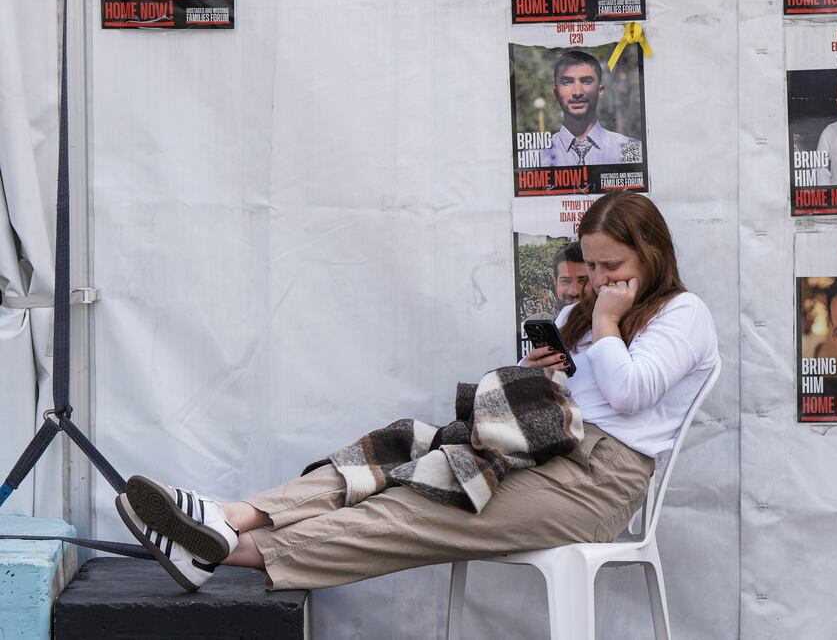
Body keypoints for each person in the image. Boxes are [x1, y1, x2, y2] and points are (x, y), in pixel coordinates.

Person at [114, 192, 718, 593]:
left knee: (420, 505)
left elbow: (633, 393)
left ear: (651, 253)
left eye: (612, 267)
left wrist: (608, 323)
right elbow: (526, 401)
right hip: (530, 450)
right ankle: (226, 518)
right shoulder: (579, 317)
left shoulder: (682, 314)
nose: (599, 283)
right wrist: (537, 369)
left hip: (594, 483)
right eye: (590, 269)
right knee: (393, 449)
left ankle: (227, 551)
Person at [534, 50, 640, 168]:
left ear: (600, 91)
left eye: (586, 81)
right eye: (567, 82)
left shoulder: (628, 148)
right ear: (556, 94)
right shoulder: (536, 156)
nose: (577, 92)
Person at [552, 242, 588, 307]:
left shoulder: (607, 317)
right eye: (566, 281)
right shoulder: (540, 317)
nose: (574, 292)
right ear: (555, 283)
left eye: (583, 281)